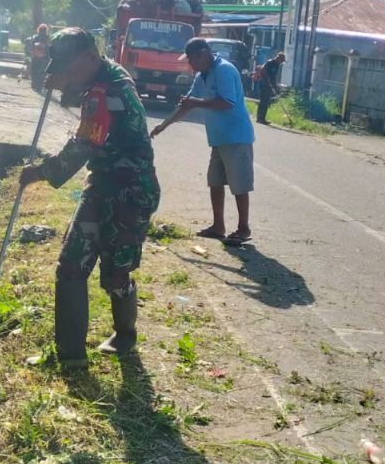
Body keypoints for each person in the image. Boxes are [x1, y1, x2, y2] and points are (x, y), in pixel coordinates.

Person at [18, 28, 161, 368]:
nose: (66, 75)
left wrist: (40, 172)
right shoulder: (105, 70)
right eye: (62, 68)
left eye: (70, 68)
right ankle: (70, 356)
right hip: (102, 186)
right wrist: (61, 83)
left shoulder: (104, 90)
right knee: (70, 265)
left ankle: (125, 335)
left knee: (116, 273)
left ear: (90, 58)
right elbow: (79, 103)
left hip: (130, 192)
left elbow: (83, 146)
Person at [151, 38, 255, 246]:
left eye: (191, 59)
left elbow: (227, 102)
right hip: (218, 138)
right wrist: (164, 125)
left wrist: (195, 102)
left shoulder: (224, 70)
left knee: (239, 184)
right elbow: (187, 104)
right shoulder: (202, 75)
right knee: (215, 181)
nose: (190, 64)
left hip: (236, 136)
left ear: (203, 53)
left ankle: (243, 228)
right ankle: (218, 227)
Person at [257, 52, 286, 125]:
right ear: (278, 58)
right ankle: (260, 118)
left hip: (269, 85)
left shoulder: (277, 65)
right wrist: (267, 78)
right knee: (263, 101)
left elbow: (274, 76)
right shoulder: (270, 62)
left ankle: (262, 118)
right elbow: (262, 69)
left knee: (266, 102)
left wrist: (274, 85)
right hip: (264, 83)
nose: (281, 62)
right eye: (281, 60)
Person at [25, 24, 51, 93]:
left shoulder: (36, 37)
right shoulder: (47, 38)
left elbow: (32, 47)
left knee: (35, 71)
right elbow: (49, 48)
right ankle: (38, 86)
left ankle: (35, 85)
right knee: (41, 73)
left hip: (36, 57)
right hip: (44, 58)